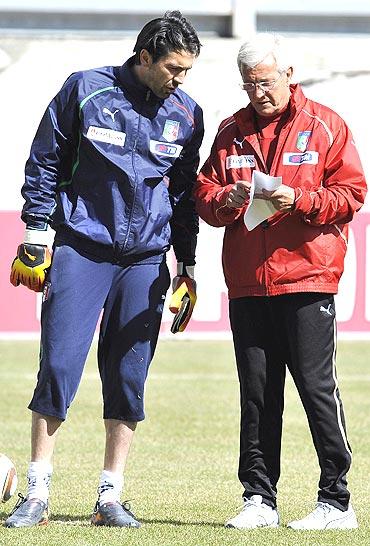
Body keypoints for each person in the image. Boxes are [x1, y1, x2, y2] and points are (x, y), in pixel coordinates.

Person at [6, 10, 203, 528]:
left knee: (127, 376)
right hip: (82, 249)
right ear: (145, 58)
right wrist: (34, 235)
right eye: (174, 68)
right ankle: (37, 494)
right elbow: (45, 159)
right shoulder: (84, 90)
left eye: (188, 70)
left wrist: (187, 264)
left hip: (145, 260)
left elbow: (183, 195)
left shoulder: (187, 112)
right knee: (59, 366)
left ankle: (110, 498)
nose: (181, 79)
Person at [194, 32, 366, 530]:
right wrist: (222, 200)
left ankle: (336, 502)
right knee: (257, 394)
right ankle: (259, 499)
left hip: (309, 278)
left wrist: (303, 201)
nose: (258, 93)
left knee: (316, 388)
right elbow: (203, 192)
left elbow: (351, 194)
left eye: (265, 82)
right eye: (249, 85)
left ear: (289, 75)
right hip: (248, 283)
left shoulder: (326, 125)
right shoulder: (229, 131)